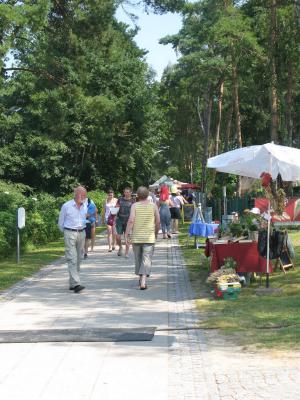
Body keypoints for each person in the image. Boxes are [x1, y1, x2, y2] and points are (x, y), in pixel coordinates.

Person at [125, 186, 160, 290]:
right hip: (149, 237)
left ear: (138, 196)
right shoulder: (153, 206)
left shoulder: (134, 206)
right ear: (147, 195)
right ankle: (143, 280)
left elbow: (131, 220)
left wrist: (127, 233)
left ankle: (141, 279)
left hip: (137, 238)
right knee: (146, 259)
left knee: (138, 259)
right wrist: (156, 232)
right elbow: (158, 221)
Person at [58, 186, 87, 293]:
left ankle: (72, 283)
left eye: (85, 195)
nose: (83, 197)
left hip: (81, 233)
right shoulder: (66, 206)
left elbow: (84, 219)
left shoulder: (85, 206)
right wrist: (66, 233)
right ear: (75, 194)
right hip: (70, 232)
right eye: (81, 195)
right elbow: (60, 223)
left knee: (79, 258)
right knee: (72, 258)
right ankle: (76, 284)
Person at [115, 187, 134, 257]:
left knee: (127, 237)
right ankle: (120, 247)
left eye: (128, 192)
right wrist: (115, 217)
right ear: (124, 192)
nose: (126, 193)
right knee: (118, 237)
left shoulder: (133, 201)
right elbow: (116, 208)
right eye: (125, 192)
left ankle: (126, 253)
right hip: (119, 220)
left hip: (128, 221)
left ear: (131, 193)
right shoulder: (120, 199)